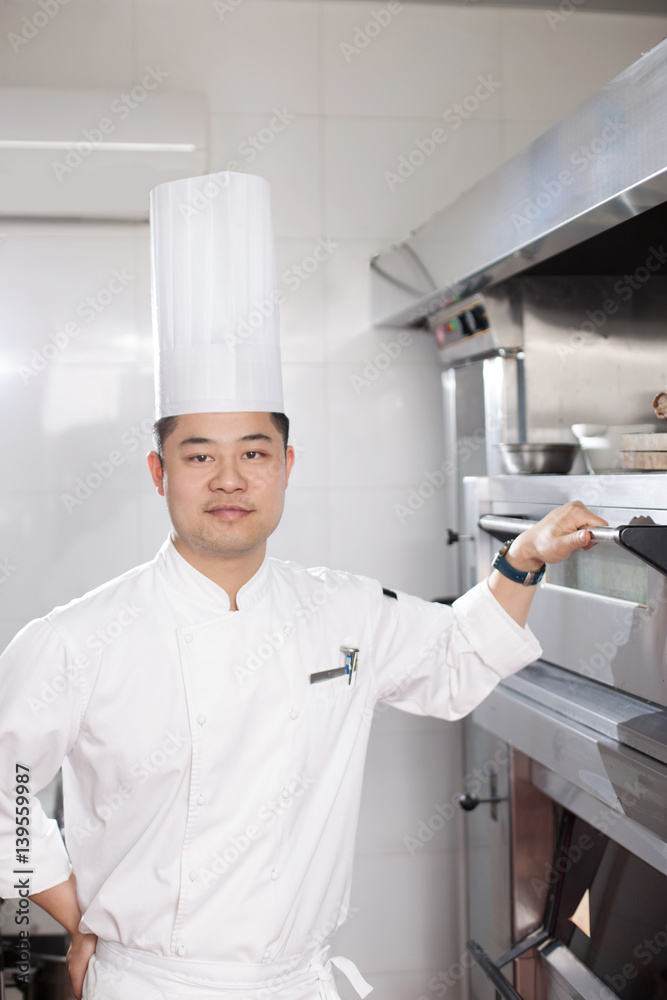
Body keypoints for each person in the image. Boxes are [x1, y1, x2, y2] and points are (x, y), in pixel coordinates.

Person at [0, 172, 608, 1000]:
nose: (228, 478)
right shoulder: (73, 638)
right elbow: (8, 793)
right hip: (150, 984)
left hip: (302, 981)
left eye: (253, 452)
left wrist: (523, 557)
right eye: (197, 454)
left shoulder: (342, 610)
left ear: (286, 468)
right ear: (158, 472)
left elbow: (456, 656)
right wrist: (79, 918)